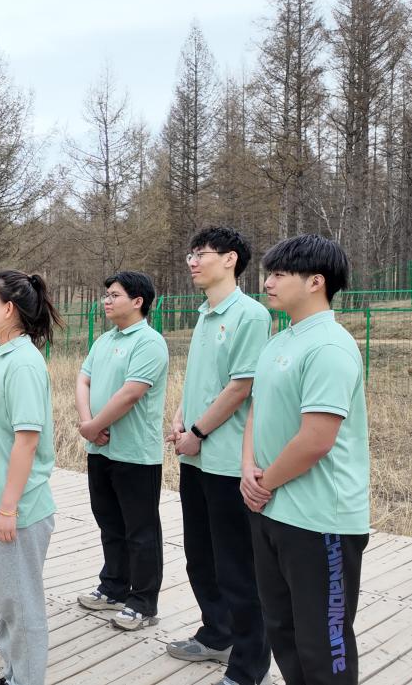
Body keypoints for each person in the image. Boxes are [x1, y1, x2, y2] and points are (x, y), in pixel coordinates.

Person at [241, 234, 369, 685]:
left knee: (324, 644)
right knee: (283, 629)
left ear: (316, 282)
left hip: (320, 521)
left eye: (279, 274)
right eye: (269, 274)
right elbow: (256, 408)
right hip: (272, 509)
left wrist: (264, 483)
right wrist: (247, 470)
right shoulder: (279, 341)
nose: (268, 283)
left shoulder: (329, 347)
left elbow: (316, 440)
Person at [163, 227, 271, 685]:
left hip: (227, 461)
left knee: (237, 567)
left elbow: (241, 386)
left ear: (230, 260)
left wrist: (199, 431)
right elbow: (201, 380)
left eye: (201, 253)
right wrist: (180, 418)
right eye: (190, 253)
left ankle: (249, 667)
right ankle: (216, 634)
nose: (192, 261)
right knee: (200, 557)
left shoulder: (250, 315)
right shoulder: (206, 314)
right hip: (196, 459)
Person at [0, 270, 62, 685]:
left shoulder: (23, 363)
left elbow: (27, 440)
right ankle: (14, 673)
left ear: (9, 309)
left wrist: (8, 508)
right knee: (0, 598)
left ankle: (27, 678)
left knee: (21, 605)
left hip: (15, 508)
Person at [75, 271, 168, 631]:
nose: (107, 301)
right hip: (101, 450)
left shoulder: (149, 342)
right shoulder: (104, 340)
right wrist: (88, 422)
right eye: (107, 295)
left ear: (138, 301)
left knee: (141, 531)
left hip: (135, 454)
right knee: (109, 522)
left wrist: (94, 425)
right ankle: (113, 587)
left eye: (115, 295)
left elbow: (131, 393)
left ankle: (143, 602)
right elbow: (83, 379)